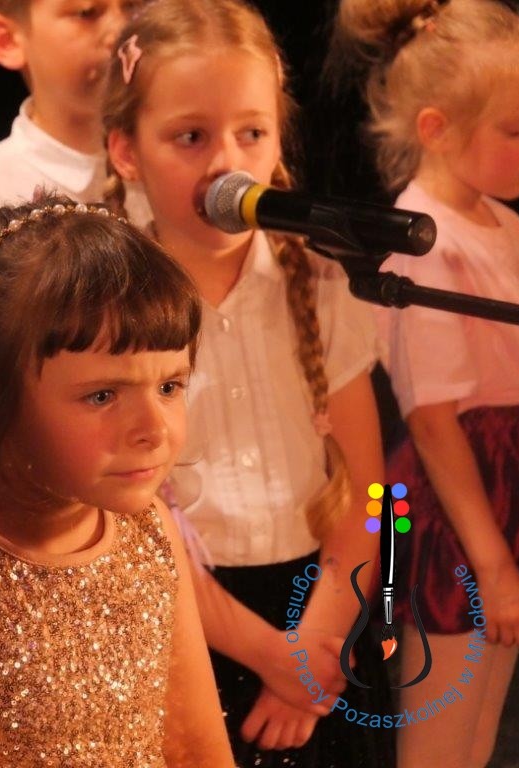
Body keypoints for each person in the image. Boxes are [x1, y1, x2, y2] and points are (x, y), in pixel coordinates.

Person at [0, 194, 235, 767]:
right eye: (103, 395)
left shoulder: (150, 530)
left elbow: (199, 752)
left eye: (169, 387)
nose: (155, 429)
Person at [104, 1, 392, 764]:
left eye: (252, 133)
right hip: (180, 633)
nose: (226, 162)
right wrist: (274, 658)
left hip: (324, 620)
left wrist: (315, 648)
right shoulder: (110, 311)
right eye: (191, 137)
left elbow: (365, 489)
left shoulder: (322, 284)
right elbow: (128, 527)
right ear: (126, 150)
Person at [332, 1, 519, 765]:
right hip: (460, 505)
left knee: (480, 737)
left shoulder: (506, 224)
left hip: (507, 480)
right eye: (516, 131)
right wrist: (493, 564)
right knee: (441, 744)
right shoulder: (423, 245)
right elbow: (435, 421)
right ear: (437, 129)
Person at [0, 0, 151, 411]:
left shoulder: (173, 165)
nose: (121, 31)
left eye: (134, 6)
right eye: (87, 12)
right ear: (6, 40)